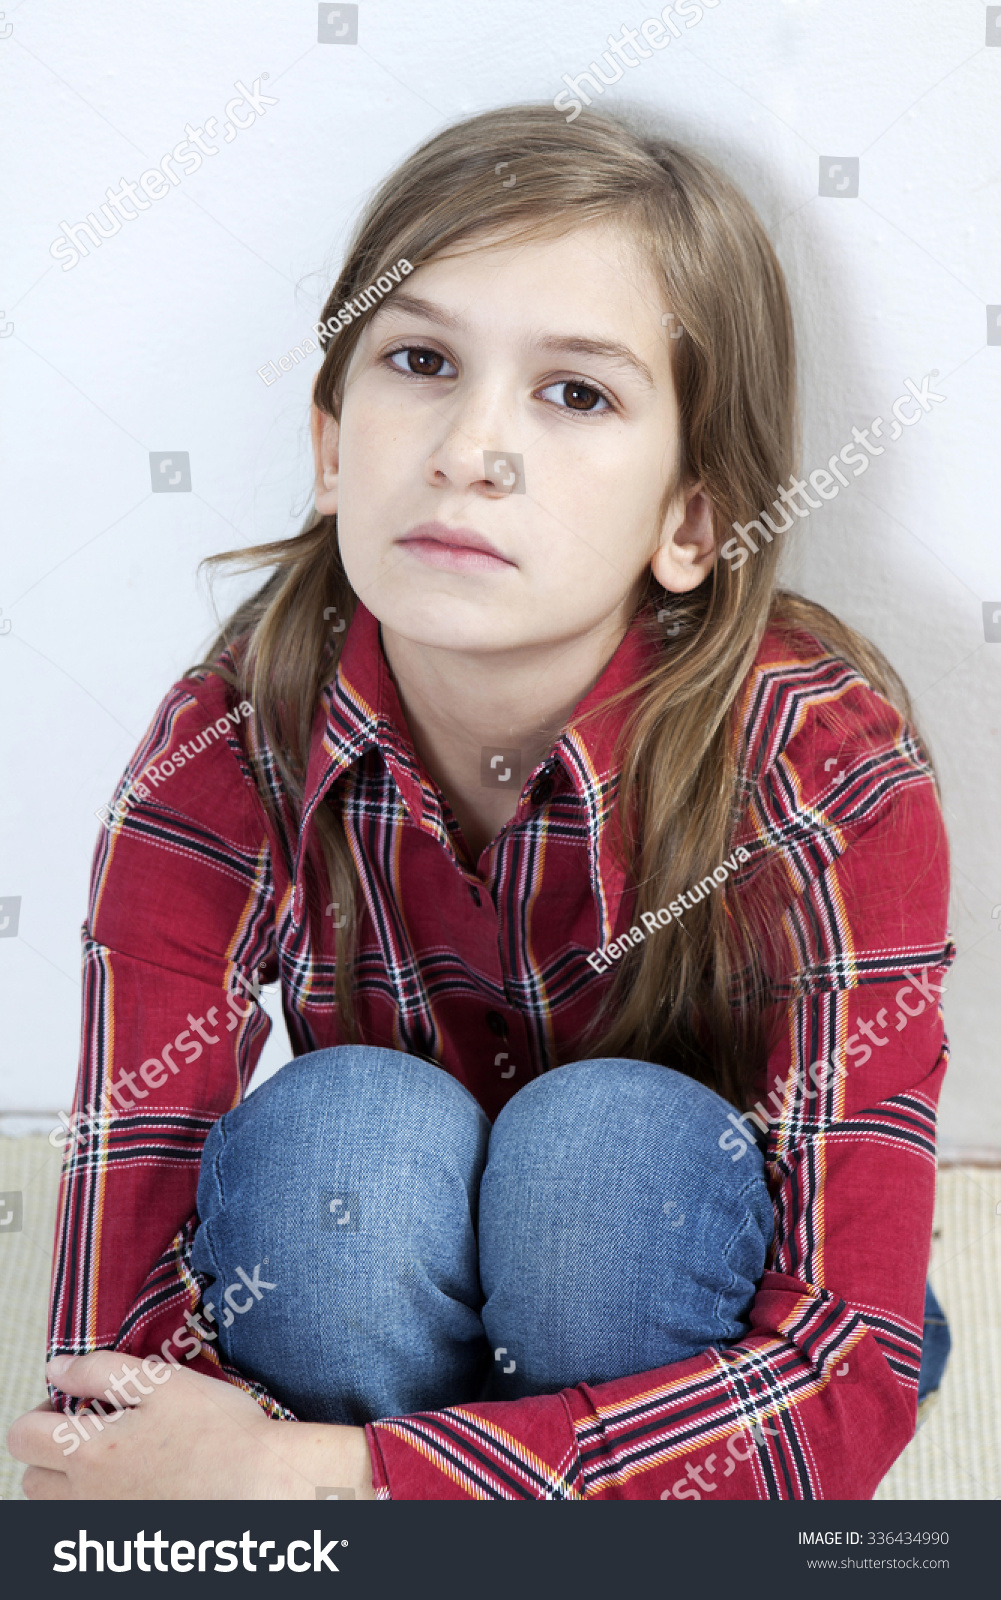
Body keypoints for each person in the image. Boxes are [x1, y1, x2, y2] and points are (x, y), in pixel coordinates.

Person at [11, 103, 952, 1501]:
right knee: (343, 1134)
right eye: (419, 361)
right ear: (332, 449)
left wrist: (334, 1476)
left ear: (692, 523)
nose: (469, 447)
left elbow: (842, 1367)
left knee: (600, 1152)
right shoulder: (225, 746)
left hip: (649, 1303)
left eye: (575, 393)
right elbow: (114, 1344)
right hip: (361, 1295)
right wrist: (174, 1457)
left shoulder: (819, 770)